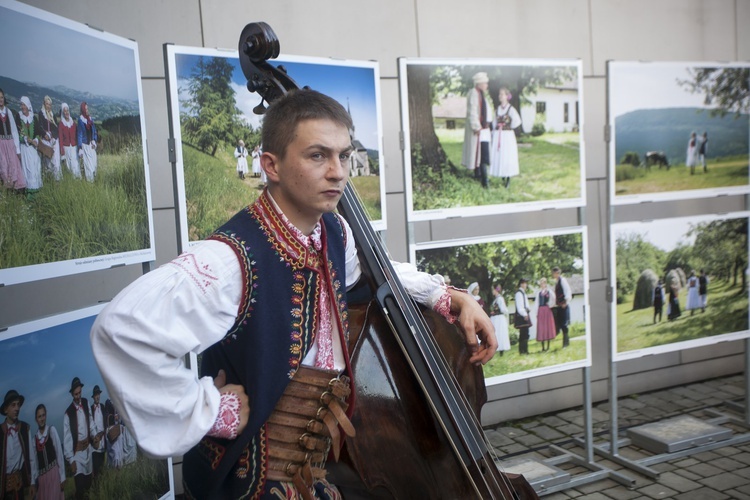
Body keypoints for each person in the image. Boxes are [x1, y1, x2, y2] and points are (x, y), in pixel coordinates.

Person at [91, 89, 496, 499]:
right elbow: (121, 330)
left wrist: (449, 296)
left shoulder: (333, 234)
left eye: (343, 154)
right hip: (249, 484)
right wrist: (210, 411)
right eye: (318, 155)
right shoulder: (230, 260)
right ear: (272, 165)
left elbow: (374, 274)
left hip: (319, 476)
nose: (338, 172)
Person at [62, 377, 94, 500]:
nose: (78, 396)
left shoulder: (86, 403)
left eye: (79, 393)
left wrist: (94, 435)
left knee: (88, 485)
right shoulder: (68, 413)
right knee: (80, 488)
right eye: (75, 394)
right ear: (71, 394)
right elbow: (67, 438)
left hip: (88, 450)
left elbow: (90, 422)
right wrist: (71, 460)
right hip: (77, 454)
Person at [461, 72, 494, 188]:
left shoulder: (481, 94)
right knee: (483, 154)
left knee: (481, 153)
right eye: (485, 83)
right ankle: (485, 181)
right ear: (479, 83)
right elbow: (473, 112)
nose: (486, 85)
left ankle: (479, 175)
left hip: (484, 128)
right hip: (480, 129)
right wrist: (476, 126)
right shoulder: (474, 94)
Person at [0, 390, 32, 500]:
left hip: (21, 486)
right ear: (5, 410)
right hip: (5, 490)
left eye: (18, 405)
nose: (17, 408)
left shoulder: (24, 428)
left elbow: (31, 458)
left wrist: (32, 482)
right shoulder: (0, 432)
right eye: (13, 405)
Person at [29, 404, 65, 500]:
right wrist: (34, 482)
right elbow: (34, 463)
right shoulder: (34, 440)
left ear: (46, 415)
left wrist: (62, 477)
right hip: (42, 480)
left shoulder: (51, 431)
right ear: (36, 419)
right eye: (39, 416)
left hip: (54, 474)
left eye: (43, 415)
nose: (42, 419)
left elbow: (59, 454)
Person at [489, 87, 522, 188]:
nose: (500, 96)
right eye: (499, 94)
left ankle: (507, 177)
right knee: (499, 154)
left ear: (507, 96)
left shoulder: (510, 109)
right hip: (499, 134)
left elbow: (517, 121)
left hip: (507, 136)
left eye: (502, 94)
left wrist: (508, 127)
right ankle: (501, 173)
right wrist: (494, 131)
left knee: (507, 155)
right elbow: (494, 122)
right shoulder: (498, 109)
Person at [0, 88, 26, 191]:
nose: (0, 100)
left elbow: (14, 131)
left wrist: (17, 149)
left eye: (1, 97)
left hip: (10, 143)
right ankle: (6, 188)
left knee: (13, 164)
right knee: (3, 165)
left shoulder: (8, 112)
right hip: (1, 144)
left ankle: (15, 189)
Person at [17, 96, 43, 192]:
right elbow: (18, 132)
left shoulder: (33, 118)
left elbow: (38, 132)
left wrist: (35, 140)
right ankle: (29, 191)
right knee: (27, 169)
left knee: (35, 167)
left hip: (33, 148)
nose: (22, 107)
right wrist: (24, 138)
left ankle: (36, 190)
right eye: (21, 105)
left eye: (24, 105)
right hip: (25, 147)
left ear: (28, 105)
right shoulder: (19, 117)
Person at [38, 96, 61, 181]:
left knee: (55, 161)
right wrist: (44, 134)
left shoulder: (52, 115)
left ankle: (56, 180)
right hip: (45, 140)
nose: (48, 106)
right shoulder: (41, 114)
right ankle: (48, 179)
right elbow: (40, 126)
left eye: (50, 104)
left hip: (53, 140)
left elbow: (56, 128)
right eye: (47, 104)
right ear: (44, 104)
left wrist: (51, 134)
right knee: (47, 161)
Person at [58, 103, 81, 179]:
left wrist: (79, 147)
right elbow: (60, 138)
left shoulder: (73, 123)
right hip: (66, 147)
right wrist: (62, 151)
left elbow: (77, 135)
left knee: (75, 164)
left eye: (67, 110)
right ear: (62, 113)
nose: (67, 112)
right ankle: (71, 181)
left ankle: (77, 180)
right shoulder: (61, 124)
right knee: (69, 165)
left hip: (74, 146)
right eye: (65, 111)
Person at [77, 102, 98, 182]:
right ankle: (90, 184)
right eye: (85, 109)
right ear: (82, 110)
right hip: (85, 145)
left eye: (87, 108)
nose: (87, 110)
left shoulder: (90, 119)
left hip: (91, 145)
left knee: (94, 165)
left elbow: (94, 131)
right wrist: (80, 148)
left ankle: (93, 181)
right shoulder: (80, 121)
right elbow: (79, 135)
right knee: (89, 166)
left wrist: (94, 140)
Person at [552, 267, 572, 348]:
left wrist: (566, 302)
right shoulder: (556, 282)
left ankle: (566, 343)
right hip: (559, 305)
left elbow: (568, 291)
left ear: (558, 273)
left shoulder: (562, 280)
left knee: (564, 324)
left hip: (564, 305)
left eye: (555, 273)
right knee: (560, 324)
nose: (553, 275)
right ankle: (565, 343)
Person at [535, 278, 557, 352]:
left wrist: (550, 305)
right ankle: (543, 347)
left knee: (547, 327)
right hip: (541, 310)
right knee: (542, 328)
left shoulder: (549, 291)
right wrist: (536, 312)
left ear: (545, 283)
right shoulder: (538, 293)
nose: (542, 284)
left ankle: (548, 347)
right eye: (541, 283)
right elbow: (536, 303)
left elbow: (553, 299)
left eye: (543, 283)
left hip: (547, 310)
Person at [89, 385, 105, 477]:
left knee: (102, 467)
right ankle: (97, 488)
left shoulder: (102, 407)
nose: (97, 396)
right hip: (95, 443)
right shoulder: (91, 409)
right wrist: (93, 438)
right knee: (96, 468)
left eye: (98, 394)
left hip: (102, 442)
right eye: (96, 395)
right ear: (93, 397)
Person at [490, 285, 510, 354]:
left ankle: (501, 349)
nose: (492, 291)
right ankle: (497, 348)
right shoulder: (496, 299)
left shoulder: (500, 298)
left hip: (499, 318)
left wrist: (496, 311)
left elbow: (503, 309)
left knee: (500, 332)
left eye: (493, 290)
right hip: (495, 318)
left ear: (496, 290)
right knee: (496, 332)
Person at [514, 278, 532, 355]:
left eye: (526, 283)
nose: (525, 285)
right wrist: (524, 314)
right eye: (524, 283)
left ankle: (525, 350)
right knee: (523, 333)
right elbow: (519, 306)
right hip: (522, 315)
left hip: (525, 313)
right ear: (521, 284)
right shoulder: (519, 293)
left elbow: (526, 304)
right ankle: (522, 351)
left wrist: (528, 309)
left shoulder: (523, 293)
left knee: (526, 333)